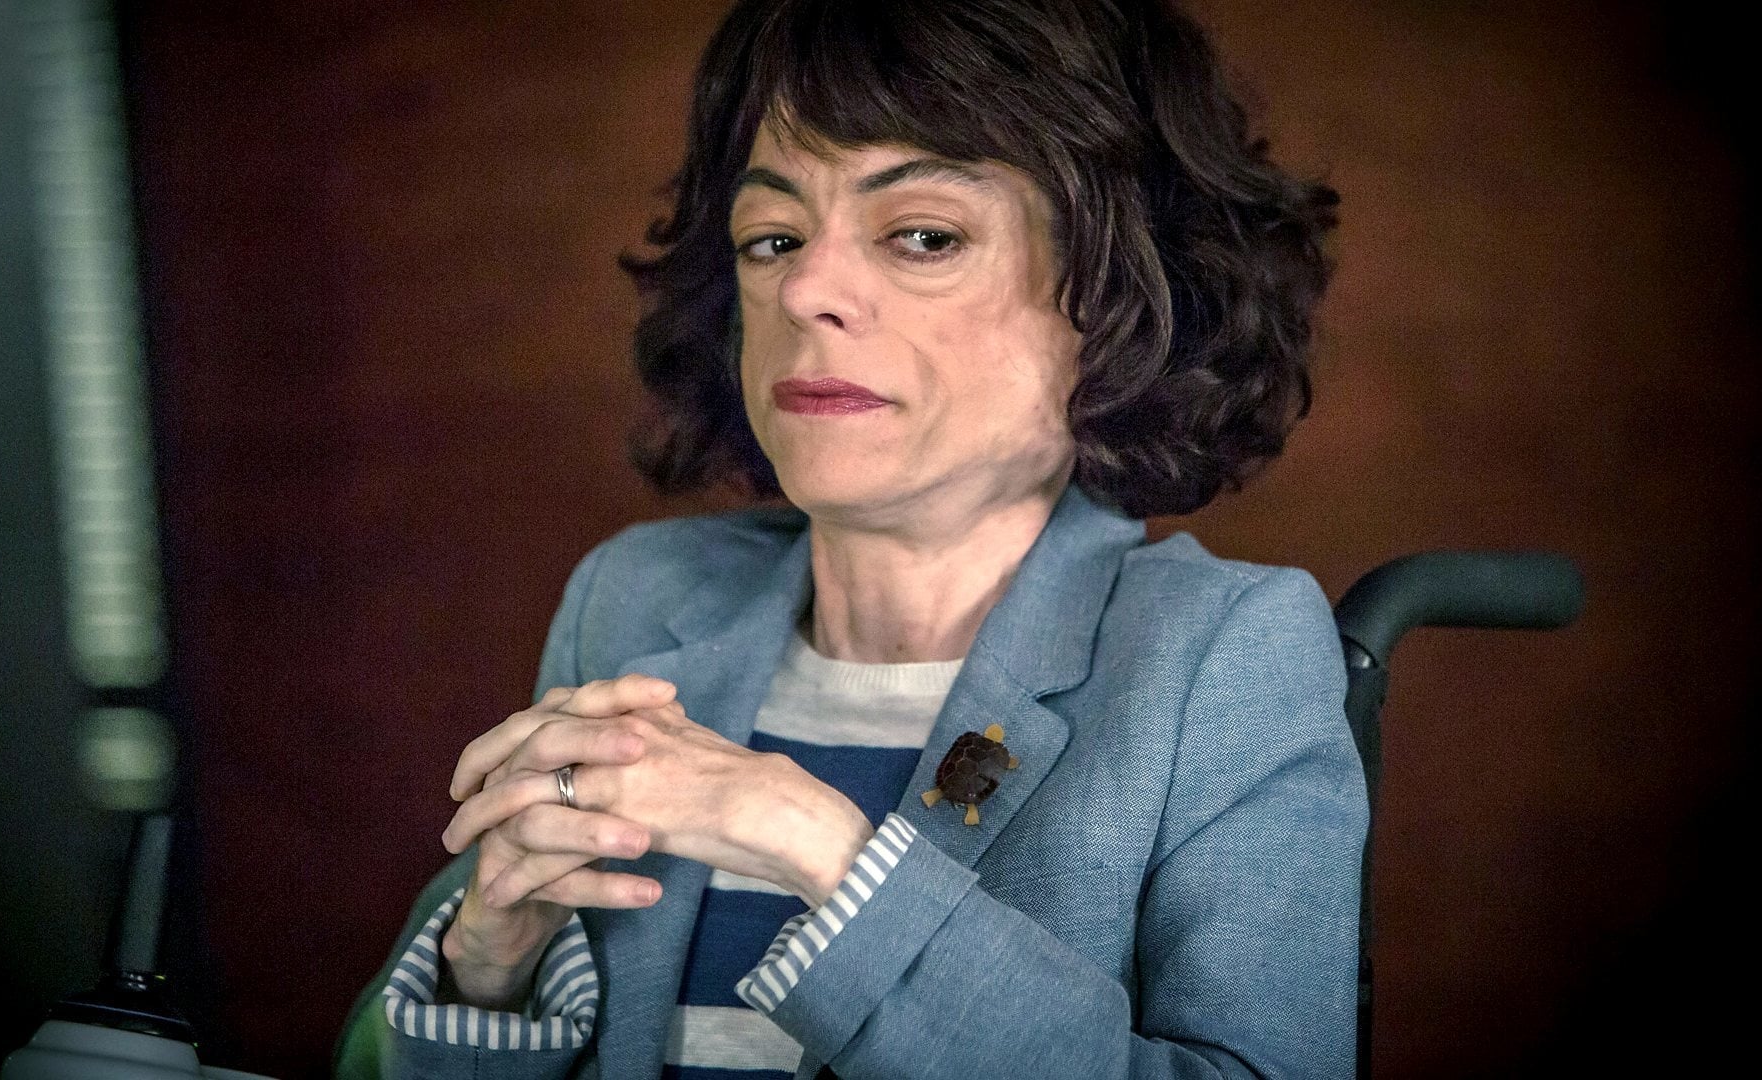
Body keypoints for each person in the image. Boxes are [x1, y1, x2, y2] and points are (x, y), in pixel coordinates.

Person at [336, 0, 1364, 1076]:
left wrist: (815, 847)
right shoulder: (633, 600)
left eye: (923, 235)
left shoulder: (1222, 655)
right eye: (773, 240)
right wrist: (487, 973)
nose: (805, 289)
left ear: (1119, 292)